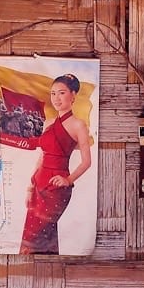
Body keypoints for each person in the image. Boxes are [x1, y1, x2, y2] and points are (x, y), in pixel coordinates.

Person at [19, 74, 93, 254]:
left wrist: (68, 179)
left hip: (56, 189)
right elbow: (42, 157)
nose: (56, 98)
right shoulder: (48, 123)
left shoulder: (78, 125)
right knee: (45, 238)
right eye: (53, 94)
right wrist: (30, 188)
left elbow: (86, 161)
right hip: (38, 184)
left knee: (34, 238)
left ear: (73, 95)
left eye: (62, 93)